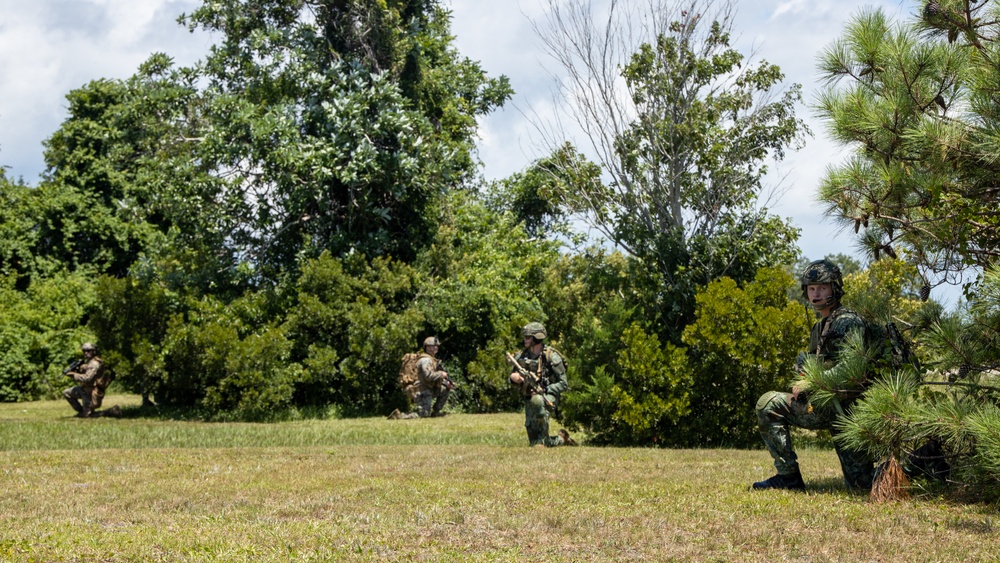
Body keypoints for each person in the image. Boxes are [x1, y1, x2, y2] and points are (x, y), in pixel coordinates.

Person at [752, 259, 874, 491]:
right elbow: (814, 365)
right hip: (825, 406)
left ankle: (921, 461)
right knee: (768, 404)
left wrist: (811, 381)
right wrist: (803, 376)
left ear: (835, 288)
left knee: (862, 486)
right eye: (811, 288)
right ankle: (788, 477)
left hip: (849, 412)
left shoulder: (848, 322)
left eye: (822, 287)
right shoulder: (820, 327)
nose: (816, 294)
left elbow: (852, 369)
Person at [508, 322, 576, 447]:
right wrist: (514, 378)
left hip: (548, 397)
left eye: (528, 337)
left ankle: (543, 440)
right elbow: (511, 377)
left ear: (536, 338)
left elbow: (563, 384)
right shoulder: (522, 356)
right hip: (530, 398)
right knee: (534, 442)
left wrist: (545, 388)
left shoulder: (552, 357)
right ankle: (562, 439)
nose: (525, 340)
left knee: (538, 400)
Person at [388, 336, 453, 419]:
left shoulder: (432, 359)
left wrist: (446, 383)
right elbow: (429, 376)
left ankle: (436, 412)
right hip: (421, 390)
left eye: (437, 346)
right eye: (434, 345)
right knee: (423, 415)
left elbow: (433, 379)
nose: (436, 347)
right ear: (428, 347)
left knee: (445, 389)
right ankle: (398, 416)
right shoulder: (425, 360)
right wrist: (441, 374)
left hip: (428, 388)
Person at [63, 343, 120, 419]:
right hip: (84, 389)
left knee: (88, 416)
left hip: (91, 392)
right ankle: (82, 411)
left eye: (88, 351)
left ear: (94, 352)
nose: (86, 353)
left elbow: (87, 378)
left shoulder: (94, 363)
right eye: (84, 351)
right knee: (67, 393)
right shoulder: (90, 362)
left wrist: (73, 375)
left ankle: (110, 411)